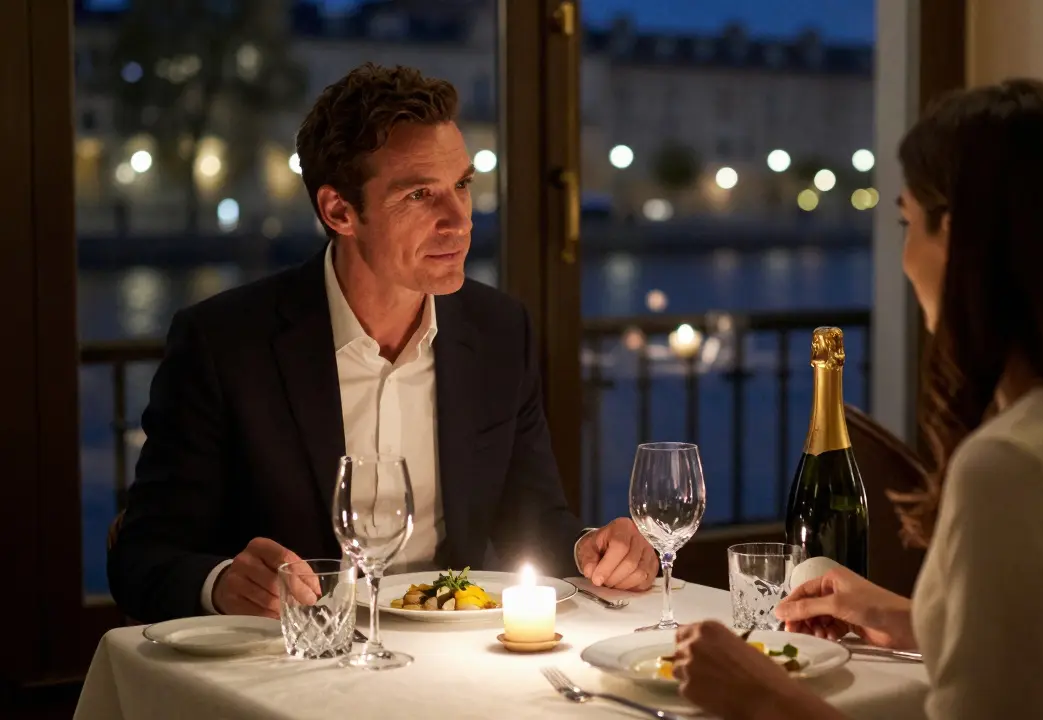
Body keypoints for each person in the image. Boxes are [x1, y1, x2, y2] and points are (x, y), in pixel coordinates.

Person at [671, 78, 1043, 719]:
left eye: (908, 222)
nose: (905, 255)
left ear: (964, 241)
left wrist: (758, 693)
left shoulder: (1012, 466)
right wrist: (901, 616)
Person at [108, 63, 658, 623]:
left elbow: (534, 519)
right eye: (420, 194)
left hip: (448, 663)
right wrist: (223, 583)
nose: (459, 221)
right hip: (289, 670)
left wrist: (591, 549)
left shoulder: (498, 330)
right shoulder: (225, 344)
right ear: (339, 211)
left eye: (462, 185)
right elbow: (143, 556)